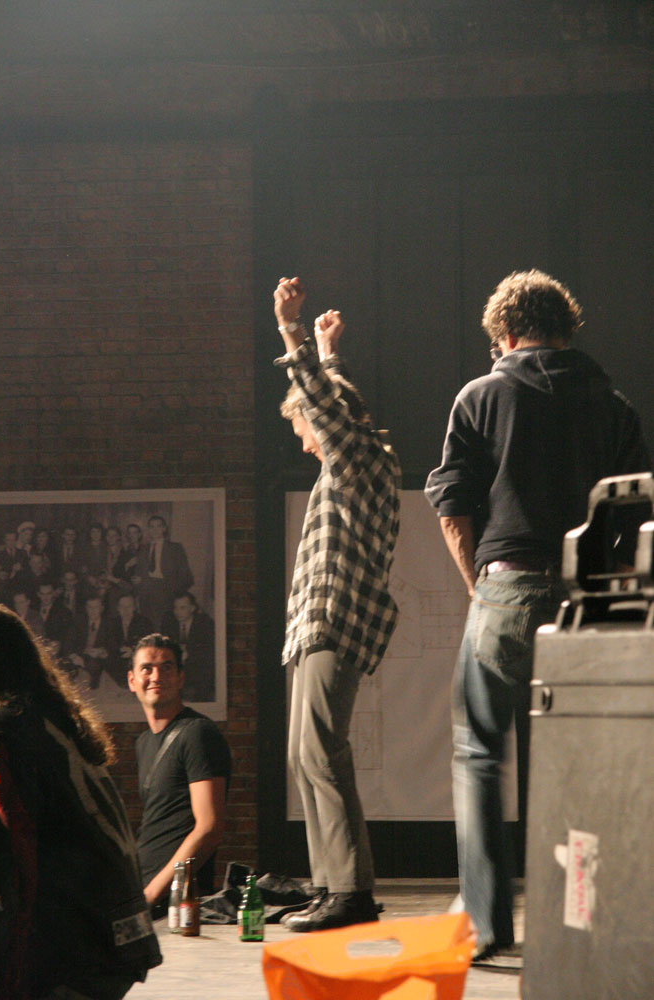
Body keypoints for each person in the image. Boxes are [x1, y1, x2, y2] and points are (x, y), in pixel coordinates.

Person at [425, 269, 651, 961]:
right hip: (589, 606)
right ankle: (578, 922)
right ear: (565, 327)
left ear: (504, 331)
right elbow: (635, 512)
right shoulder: (613, 405)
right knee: (578, 765)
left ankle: (486, 923)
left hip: (507, 588)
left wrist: (480, 588)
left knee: (479, 755)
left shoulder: (480, 396)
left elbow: (451, 505)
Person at [273, 277, 400, 931]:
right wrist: (328, 352)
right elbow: (333, 400)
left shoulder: (358, 459)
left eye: (301, 428)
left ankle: (350, 891)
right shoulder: (349, 460)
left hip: (336, 618)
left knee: (322, 751)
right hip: (315, 623)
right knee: (304, 755)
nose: (303, 442)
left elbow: (329, 409)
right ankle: (330, 885)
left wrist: (292, 330)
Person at [0, 603, 161, 998]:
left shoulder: (3, 731)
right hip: (117, 939)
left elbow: (10, 859)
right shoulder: (54, 721)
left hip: (75, 950)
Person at [128, 633, 231, 916]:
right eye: (147, 668)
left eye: (167, 667)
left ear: (181, 677)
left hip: (173, 902)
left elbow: (209, 828)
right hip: (144, 891)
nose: (156, 676)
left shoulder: (197, 733)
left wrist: (152, 893)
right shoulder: (144, 742)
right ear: (132, 681)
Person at [135, 516, 194, 630]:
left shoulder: (175, 548)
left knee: (164, 627)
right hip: (146, 594)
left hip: (166, 593)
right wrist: (138, 584)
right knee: (147, 627)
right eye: (152, 527)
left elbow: (186, 576)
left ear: (164, 528)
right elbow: (138, 572)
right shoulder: (143, 549)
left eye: (158, 526)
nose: (155, 530)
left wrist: (174, 593)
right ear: (148, 529)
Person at [161, 591, 216, 702]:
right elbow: (164, 643)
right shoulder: (169, 620)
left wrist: (189, 653)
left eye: (182, 608)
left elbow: (208, 649)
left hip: (197, 664)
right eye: (175, 608)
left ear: (192, 608)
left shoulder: (205, 622)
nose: (178, 612)